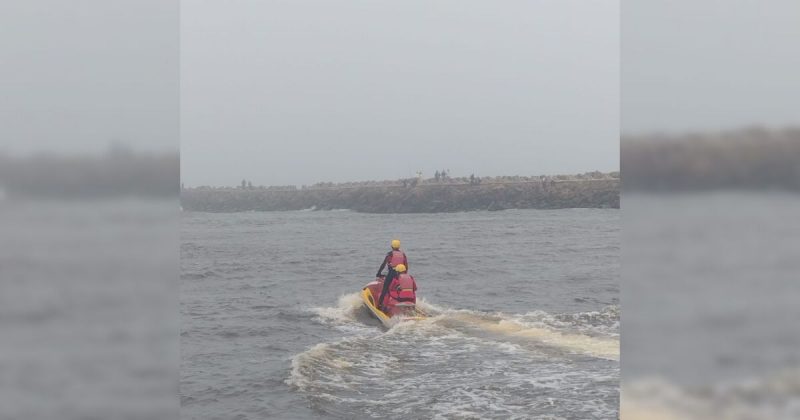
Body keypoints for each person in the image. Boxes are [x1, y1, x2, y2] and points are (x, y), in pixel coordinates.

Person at [376, 239, 408, 311]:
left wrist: (378, 273)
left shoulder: (390, 254)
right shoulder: (403, 254)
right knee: (398, 289)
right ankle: (402, 304)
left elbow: (384, 264)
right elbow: (406, 266)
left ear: (391, 246)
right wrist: (404, 276)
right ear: (399, 246)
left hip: (392, 273)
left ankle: (380, 305)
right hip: (401, 274)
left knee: (385, 289)